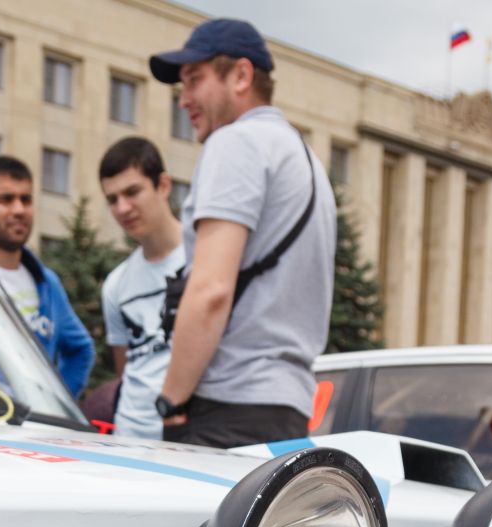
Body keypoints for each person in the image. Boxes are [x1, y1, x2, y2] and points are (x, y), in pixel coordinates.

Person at [148, 18, 335, 447]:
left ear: (241, 76)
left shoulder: (236, 142)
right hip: (283, 411)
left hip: (226, 407)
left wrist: (171, 404)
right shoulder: (302, 158)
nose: (184, 100)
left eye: (194, 80)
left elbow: (211, 291)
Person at [0, 156, 94, 396]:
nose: (19, 210)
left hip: (35, 430)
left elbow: (81, 350)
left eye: (26, 199)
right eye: (5, 199)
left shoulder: (47, 283)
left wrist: (58, 405)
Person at [96, 138, 187, 440]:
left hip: (192, 434)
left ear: (163, 185)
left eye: (132, 192)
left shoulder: (205, 259)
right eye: (112, 199)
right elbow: (127, 370)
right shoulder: (116, 284)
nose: (123, 208)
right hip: (129, 436)